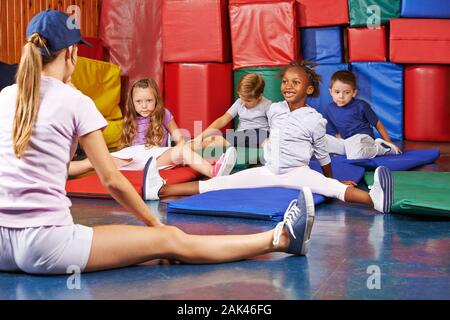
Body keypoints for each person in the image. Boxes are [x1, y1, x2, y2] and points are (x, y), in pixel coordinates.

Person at [0, 10, 314, 275]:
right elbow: (112, 180)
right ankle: (280, 238)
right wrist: (155, 224)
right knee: (171, 239)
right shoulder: (75, 100)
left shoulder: (5, 96)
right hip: (47, 245)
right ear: (71, 53)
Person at [143, 61, 394, 215]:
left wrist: (331, 177)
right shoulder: (275, 109)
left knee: (333, 189)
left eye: (296, 82)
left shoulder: (315, 118)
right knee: (218, 184)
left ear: (308, 89)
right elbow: (270, 137)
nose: (288, 86)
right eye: (285, 81)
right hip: (269, 170)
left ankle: (376, 199)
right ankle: (160, 190)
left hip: (297, 172)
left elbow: (321, 153)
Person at [70, 78, 237, 178]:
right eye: (139, 102)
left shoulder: (163, 114)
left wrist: (183, 144)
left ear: (156, 100)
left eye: (149, 101)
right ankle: (50, 172)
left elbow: (177, 135)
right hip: (132, 156)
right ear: (132, 102)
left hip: (156, 157)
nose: (144, 106)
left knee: (194, 146)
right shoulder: (130, 118)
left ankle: (213, 171)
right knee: (92, 161)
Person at [324, 70, 402, 160]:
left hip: (363, 138)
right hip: (347, 142)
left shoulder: (361, 105)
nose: (341, 96)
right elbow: (334, 133)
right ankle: (350, 151)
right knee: (322, 140)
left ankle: (382, 148)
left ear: (354, 93)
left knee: (354, 155)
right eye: (337, 92)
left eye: (347, 92)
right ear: (331, 92)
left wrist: (389, 142)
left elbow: (378, 124)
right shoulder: (329, 109)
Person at [191, 73, 271, 150]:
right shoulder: (239, 102)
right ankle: (187, 151)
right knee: (208, 140)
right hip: (240, 135)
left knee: (260, 135)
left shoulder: (267, 105)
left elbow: (274, 127)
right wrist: (200, 137)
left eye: (248, 101)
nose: (243, 102)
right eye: (241, 98)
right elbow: (223, 119)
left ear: (259, 96)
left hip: (259, 134)